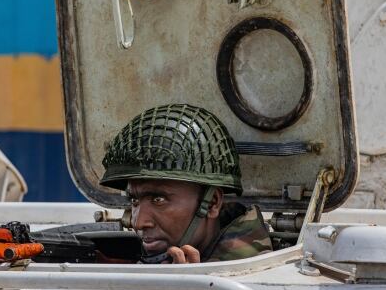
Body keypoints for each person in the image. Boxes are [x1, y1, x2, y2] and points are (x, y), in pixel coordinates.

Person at [100, 104, 272, 263]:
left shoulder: (249, 275)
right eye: (134, 200)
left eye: (158, 200)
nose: (138, 223)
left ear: (212, 203)